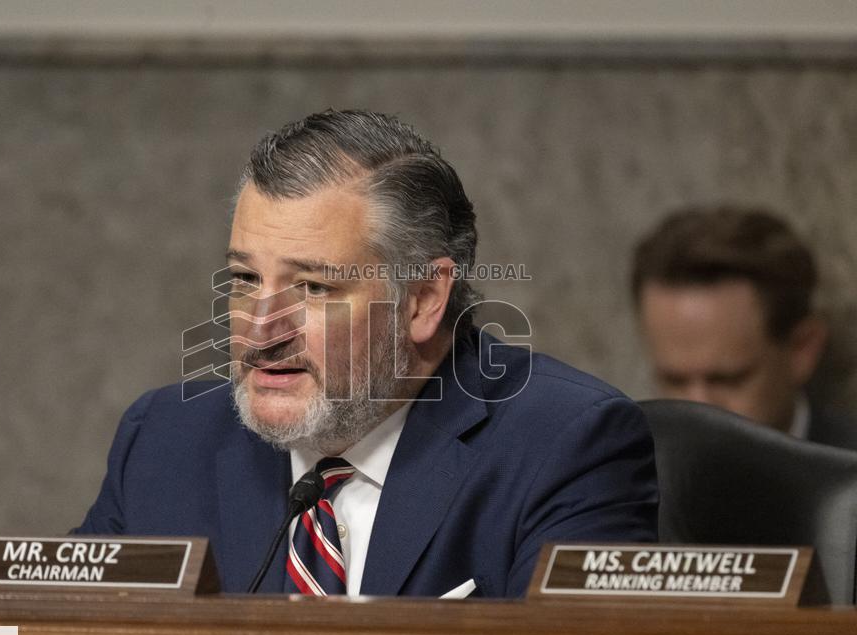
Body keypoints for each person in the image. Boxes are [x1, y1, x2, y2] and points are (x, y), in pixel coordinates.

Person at [76, 109, 657, 598]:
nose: (260, 331)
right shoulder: (165, 440)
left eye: (314, 288)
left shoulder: (563, 446)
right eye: (245, 279)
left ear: (423, 300)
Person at [632, 206, 856, 448]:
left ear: (801, 350)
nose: (697, 408)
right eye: (674, 381)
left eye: (728, 380)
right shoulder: (624, 477)